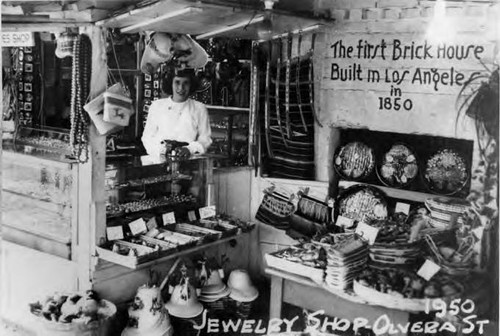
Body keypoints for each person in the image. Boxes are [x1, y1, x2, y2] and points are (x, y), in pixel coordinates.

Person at [142, 68, 212, 159]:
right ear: (170, 83)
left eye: (186, 83)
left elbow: (205, 139)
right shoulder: (157, 106)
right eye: (177, 82)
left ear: (191, 85)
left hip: (188, 162)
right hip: (159, 161)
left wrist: (189, 149)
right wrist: (161, 150)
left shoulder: (199, 108)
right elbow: (147, 138)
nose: (181, 88)